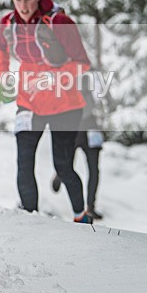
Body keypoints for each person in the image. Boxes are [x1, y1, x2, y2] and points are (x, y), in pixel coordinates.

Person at [0, 0, 94, 224]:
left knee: (63, 166)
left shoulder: (59, 23)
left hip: (65, 104)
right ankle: (30, 219)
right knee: (24, 163)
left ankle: (81, 215)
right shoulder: (9, 23)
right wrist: (3, 76)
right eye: (18, 0)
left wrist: (51, 79)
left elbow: (83, 64)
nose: (23, 6)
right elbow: (1, 49)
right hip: (28, 102)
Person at [52, 85, 105, 220]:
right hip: (74, 126)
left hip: (90, 126)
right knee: (67, 163)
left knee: (94, 169)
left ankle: (90, 207)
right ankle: (60, 174)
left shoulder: (90, 73)